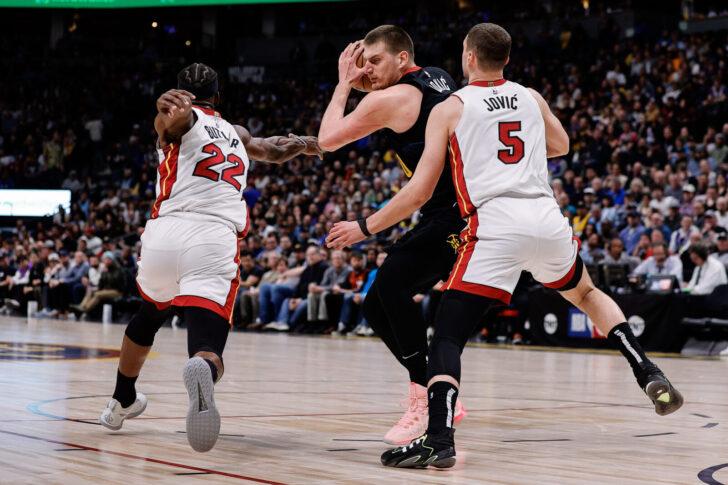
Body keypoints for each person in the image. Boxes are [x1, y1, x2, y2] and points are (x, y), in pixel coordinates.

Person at [327, 23, 683, 468]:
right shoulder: (531, 97)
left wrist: (366, 225)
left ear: (469, 58)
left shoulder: (451, 107)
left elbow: (419, 191)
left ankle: (439, 438)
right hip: (546, 220)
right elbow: (561, 145)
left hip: (495, 226)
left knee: (448, 336)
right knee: (588, 294)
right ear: (507, 60)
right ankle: (647, 370)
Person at [98, 63, 320, 452]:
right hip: (212, 237)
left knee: (149, 314)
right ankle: (203, 366)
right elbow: (275, 148)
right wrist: (307, 142)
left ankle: (121, 400)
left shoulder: (179, 118)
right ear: (218, 97)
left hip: (163, 234)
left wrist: (168, 115)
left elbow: (169, 125)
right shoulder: (237, 133)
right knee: (207, 346)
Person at [318, 24, 467, 444]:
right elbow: (393, 108)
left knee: (393, 290)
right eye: (363, 62)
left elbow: (329, 139)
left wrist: (344, 85)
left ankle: (427, 398)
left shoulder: (397, 97)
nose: (368, 68)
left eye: (375, 60)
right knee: (375, 305)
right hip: (456, 210)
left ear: (402, 59)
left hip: (453, 214)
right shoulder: (437, 76)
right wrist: (371, 81)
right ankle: (436, 388)